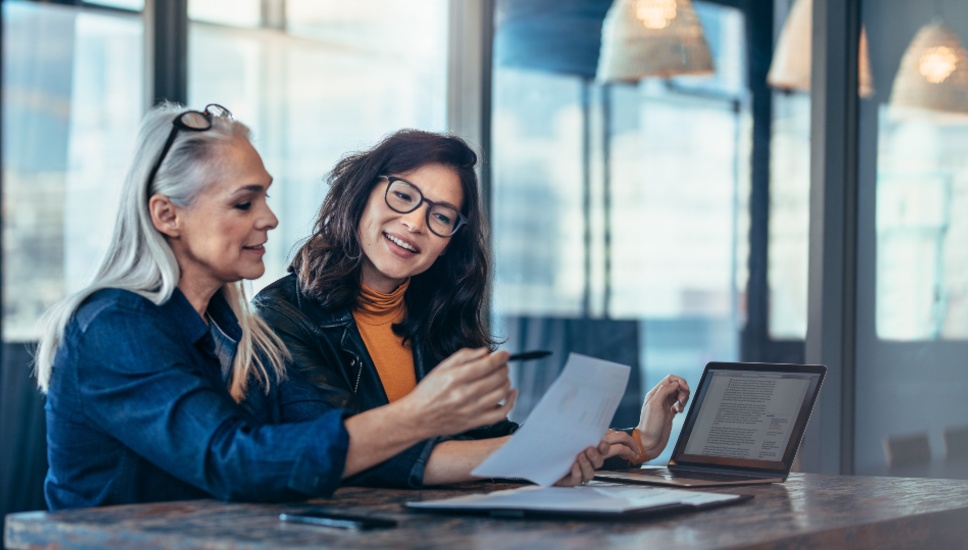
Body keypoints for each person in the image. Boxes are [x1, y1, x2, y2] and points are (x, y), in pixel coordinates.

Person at [34, 104, 609, 511]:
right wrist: (420, 414)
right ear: (167, 215)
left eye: (265, 195)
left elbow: (315, 447)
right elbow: (237, 463)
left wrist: (578, 448)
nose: (269, 218)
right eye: (244, 201)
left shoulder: (233, 332)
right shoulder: (114, 325)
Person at [252, 129, 691, 487]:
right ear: (362, 194)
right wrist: (540, 454)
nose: (415, 223)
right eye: (403, 196)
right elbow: (351, 453)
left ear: (449, 244)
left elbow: (487, 441)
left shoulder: (436, 317)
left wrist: (638, 441)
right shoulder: (280, 316)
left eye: (441, 216)